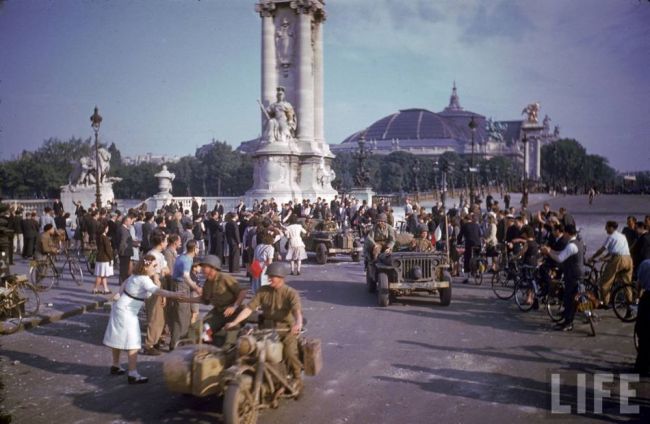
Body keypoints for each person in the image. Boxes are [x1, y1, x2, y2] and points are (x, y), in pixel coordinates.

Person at [103, 255, 184, 384]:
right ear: (146, 267)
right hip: (127, 312)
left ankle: (116, 365)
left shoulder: (135, 275)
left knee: (117, 337)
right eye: (154, 266)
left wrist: (119, 294)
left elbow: (123, 285)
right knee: (134, 342)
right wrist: (174, 294)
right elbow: (157, 291)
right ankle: (133, 374)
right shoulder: (144, 279)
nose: (155, 268)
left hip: (120, 307)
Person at [225, 262, 303, 391]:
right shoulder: (263, 291)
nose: (269, 278)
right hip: (265, 329)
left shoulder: (290, 293)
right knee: (242, 346)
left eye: (272, 276)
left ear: (281, 277)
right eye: (269, 276)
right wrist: (234, 322)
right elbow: (249, 309)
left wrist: (298, 323)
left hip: (284, 329)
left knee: (289, 351)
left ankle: (297, 378)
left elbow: (297, 312)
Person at [185, 255, 246, 347]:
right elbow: (205, 300)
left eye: (204, 267)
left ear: (213, 268)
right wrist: (187, 299)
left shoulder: (224, 278)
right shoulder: (207, 283)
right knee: (196, 328)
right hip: (218, 313)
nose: (202, 269)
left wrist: (234, 307)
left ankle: (226, 354)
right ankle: (200, 349)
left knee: (230, 336)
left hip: (234, 313)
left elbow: (242, 292)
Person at [540, 225, 584, 332]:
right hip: (575, 273)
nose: (563, 234)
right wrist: (551, 250)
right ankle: (567, 319)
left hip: (573, 275)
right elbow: (561, 253)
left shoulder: (571, 246)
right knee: (570, 296)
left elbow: (560, 258)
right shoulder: (576, 243)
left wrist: (548, 252)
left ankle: (569, 323)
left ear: (568, 233)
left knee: (569, 298)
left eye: (565, 233)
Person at [589, 221, 633, 309]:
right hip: (628, 259)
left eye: (607, 227)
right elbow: (614, 250)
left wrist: (592, 257)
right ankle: (630, 304)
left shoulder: (611, 237)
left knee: (605, 282)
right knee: (627, 284)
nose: (605, 229)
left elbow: (602, 249)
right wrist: (604, 258)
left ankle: (605, 303)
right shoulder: (622, 236)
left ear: (611, 227)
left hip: (618, 260)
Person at [167, 240, 202, 350]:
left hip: (179, 285)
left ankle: (175, 343)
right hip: (181, 286)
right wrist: (196, 287)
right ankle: (179, 345)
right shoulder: (187, 260)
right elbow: (186, 276)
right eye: (198, 248)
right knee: (182, 317)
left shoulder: (183, 256)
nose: (198, 250)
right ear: (194, 248)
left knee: (180, 316)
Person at [141, 233, 171, 355]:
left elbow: (167, 270)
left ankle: (156, 340)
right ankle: (149, 344)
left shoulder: (157, 254)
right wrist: (162, 294)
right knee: (155, 317)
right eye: (166, 240)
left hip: (157, 286)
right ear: (161, 242)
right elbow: (155, 277)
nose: (167, 243)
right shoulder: (153, 255)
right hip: (154, 289)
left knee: (160, 317)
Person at [634, 259, 650, 376]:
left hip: (647, 300)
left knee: (643, 332)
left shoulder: (645, 264)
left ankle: (642, 366)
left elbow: (639, 284)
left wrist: (638, 297)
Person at [93, 222, 114, 294]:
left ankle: (106, 289)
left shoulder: (98, 237)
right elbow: (108, 249)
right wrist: (111, 258)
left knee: (102, 275)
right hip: (105, 258)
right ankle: (95, 289)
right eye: (107, 228)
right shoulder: (105, 238)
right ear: (105, 228)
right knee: (101, 275)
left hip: (99, 257)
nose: (108, 229)